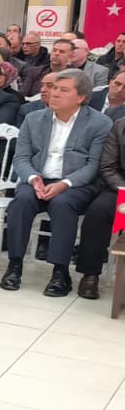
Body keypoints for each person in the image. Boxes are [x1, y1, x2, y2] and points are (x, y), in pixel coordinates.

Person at [0, 71, 111, 296]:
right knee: (21, 200)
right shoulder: (33, 119)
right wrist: (33, 178)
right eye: (54, 88)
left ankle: (60, 272)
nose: (54, 94)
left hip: (76, 184)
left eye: (63, 90)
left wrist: (64, 184)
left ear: (81, 97)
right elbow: (21, 157)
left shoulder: (100, 123)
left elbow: (93, 166)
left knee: (62, 204)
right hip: (38, 179)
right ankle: (15, 265)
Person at [74, 115, 125, 300]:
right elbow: (108, 166)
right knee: (98, 211)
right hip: (121, 186)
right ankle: (90, 274)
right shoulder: (120, 125)